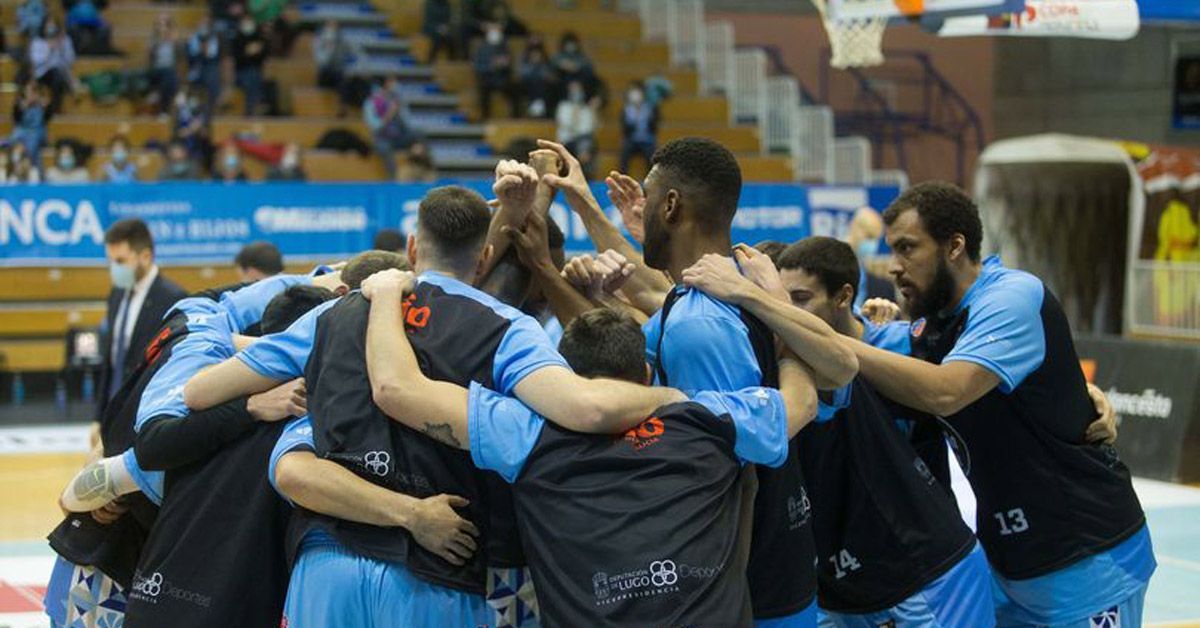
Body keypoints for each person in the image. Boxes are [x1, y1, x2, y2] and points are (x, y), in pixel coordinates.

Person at [183, 183, 688, 628]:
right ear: (484, 255)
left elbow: (198, 393)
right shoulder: (507, 328)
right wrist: (668, 396)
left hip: (326, 566)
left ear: (410, 247)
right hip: (435, 572)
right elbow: (587, 411)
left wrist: (266, 399)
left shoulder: (334, 314)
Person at [360, 274, 818, 625]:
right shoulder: (708, 419)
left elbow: (395, 389)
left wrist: (385, 293)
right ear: (645, 372)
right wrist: (783, 336)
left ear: (566, 375)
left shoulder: (528, 434)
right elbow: (803, 401)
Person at [537, 137, 858, 628]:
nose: (638, 209)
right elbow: (645, 298)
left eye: (648, 196)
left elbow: (731, 465)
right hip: (775, 572)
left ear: (670, 205)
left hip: (745, 590)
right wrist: (582, 209)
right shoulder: (717, 288)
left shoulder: (699, 321)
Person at [842, 182, 1155, 627]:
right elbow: (865, 340)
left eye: (908, 249)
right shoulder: (933, 325)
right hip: (1010, 565)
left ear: (954, 246)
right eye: (892, 250)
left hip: (1086, 558)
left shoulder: (1010, 298)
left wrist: (838, 344)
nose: (894, 267)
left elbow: (946, 391)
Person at [695, 237, 996, 627]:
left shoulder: (832, 361)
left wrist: (752, 294)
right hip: (843, 591)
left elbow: (959, 385)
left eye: (799, 297)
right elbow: (661, 296)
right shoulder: (754, 359)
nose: (779, 311)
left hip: (920, 573)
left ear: (842, 297)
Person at [364, 76, 422, 179]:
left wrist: (400, 110)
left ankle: (425, 173)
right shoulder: (370, 103)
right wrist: (389, 114)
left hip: (398, 137)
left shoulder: (396, 101)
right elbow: (375, 127)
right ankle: (393, 178)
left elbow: (407, 125)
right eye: (392, 83)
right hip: (382, 138)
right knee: (385, 148)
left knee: (418, 135)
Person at [844, 206, 895, 309]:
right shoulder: (831, 272)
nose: (872, 245)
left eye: (875, 239)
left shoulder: (884, 287)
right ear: (854, 231)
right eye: (869, 237)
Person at [30, 18, 75, 115]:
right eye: (48, 26)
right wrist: (49, 49)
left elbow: (69, 60)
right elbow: (36, 61)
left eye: (53, 26)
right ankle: (54, 107)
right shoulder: (37, 41)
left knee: (58, 74)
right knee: (56, 73)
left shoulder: (64, 40)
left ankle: (56, 107)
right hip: (41, 73)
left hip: (59, 74)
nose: (51, 29)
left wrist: (62, 45)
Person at [474, 22, 518, 120]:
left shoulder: (505, 47)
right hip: (487, 79)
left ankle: (515, 117)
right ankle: (485, 118)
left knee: (515, 90)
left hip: (502, 79)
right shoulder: (481, 49)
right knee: (483, 91)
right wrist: (492, 65)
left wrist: (506, 64)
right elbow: (477, 67)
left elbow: (510, 63)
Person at [555, 79, 597, 179]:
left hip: (581, 139)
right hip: (566, 140)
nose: (576, 92)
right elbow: (567, 125)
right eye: (573, 89)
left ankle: (585, 179)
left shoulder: (587, 109)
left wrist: (593, 111)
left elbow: (589, 128)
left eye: (578, 89)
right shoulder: (563, 107)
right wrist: (575, 111)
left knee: (585, 144)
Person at [186, 16, 224, 116]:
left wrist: (206, 51)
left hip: (211, 67)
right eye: (201, 23)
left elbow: (214, 57)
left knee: (213, 77)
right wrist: (199, 51)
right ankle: (194, 111)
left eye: (205, 23)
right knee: (193, 79)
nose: (203, 26)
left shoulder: (215, 38)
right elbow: (190, 57)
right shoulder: (193, 38)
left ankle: (210, 110)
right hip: (196, 66)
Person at [619, 81, 659, 175]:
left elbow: (654, 125)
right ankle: (623, 179)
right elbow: (624, 129)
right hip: (631, 139)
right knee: (624, 154)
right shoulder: (626, 109)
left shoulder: (650, 108)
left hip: (647, 139)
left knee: (652, 157)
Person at [314, 19, 352, 116]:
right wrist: (329, 48)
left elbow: (351, 53)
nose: (333, 28)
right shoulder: (319, 40)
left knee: (343, 78)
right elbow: (321, 60)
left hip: (337, 74)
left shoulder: (342, 40)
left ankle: (343, 107)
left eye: (335, 26)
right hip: (324, 74)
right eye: (330, 25)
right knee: (334, 72)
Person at [233, 14, 267, 116]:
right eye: (245, 21)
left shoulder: (258, 37)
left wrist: (258, 52)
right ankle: (253, 107)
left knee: (254, 75)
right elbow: (238, 60)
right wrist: (247, 53)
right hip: (240, 73)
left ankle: (251, 109)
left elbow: (262, 59)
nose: (248, 24)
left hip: (256, 72)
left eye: (249, 21)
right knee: (251, 76)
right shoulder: (237, 39)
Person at [147, 13, 181, 116]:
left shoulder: (175, 40)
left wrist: (170, 39)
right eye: (160, 24)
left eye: (165, 24)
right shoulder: (153, 39)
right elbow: (150, 58)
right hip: (156, 71)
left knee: (170, 78)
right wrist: (159, 40)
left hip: (170, 72)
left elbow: (180, 58)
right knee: (169, 77)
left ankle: (163, 109)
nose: (162, 27)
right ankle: (176, 99)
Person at [8, 80, 49, 157]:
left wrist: (45, 108)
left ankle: (28, 161)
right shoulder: (19, 104)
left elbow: (47, 119)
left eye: (33, 92)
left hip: (37, 131)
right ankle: (14, 161)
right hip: (21, 130)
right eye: (29, 92)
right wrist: (23, 108)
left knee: (32, 143)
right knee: (14, 140)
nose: (31, 95)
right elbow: (15, 120)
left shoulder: (42, 104)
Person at [551, 31, 594, 98]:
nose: (570, 46)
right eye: (568, 44)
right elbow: (552, 64)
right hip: (562, 83)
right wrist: (562, 65)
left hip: (579, 82)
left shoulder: (581, 57)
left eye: (572, 43)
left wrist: (576, 67)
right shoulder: (558, 56)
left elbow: (589, 70)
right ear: (563, 44)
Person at [519, 41, 556, 118]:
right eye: (533, 55)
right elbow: (523, 75)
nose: (536, 57)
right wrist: (534, 68)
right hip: (528, 87)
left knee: (545, 86)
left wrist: (545, 75)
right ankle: (537, 108)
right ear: (530, 56)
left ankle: (538, 109)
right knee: (534, 83)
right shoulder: (526, 65)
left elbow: (551, 77)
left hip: (543, 89)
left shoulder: (545, 65)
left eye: (538, 55)